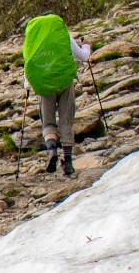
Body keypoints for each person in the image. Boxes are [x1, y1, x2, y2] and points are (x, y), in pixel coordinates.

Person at [22, 13, 92, 177]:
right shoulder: (64, 36)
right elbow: (83, 56)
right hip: (64, 81)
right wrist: (87, 45)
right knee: (66, 121)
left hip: (43, 84)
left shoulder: (33, 41)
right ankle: (67, 161)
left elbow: (29, 64)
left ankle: (51, 150)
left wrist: (27, 86)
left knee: (48, 122)